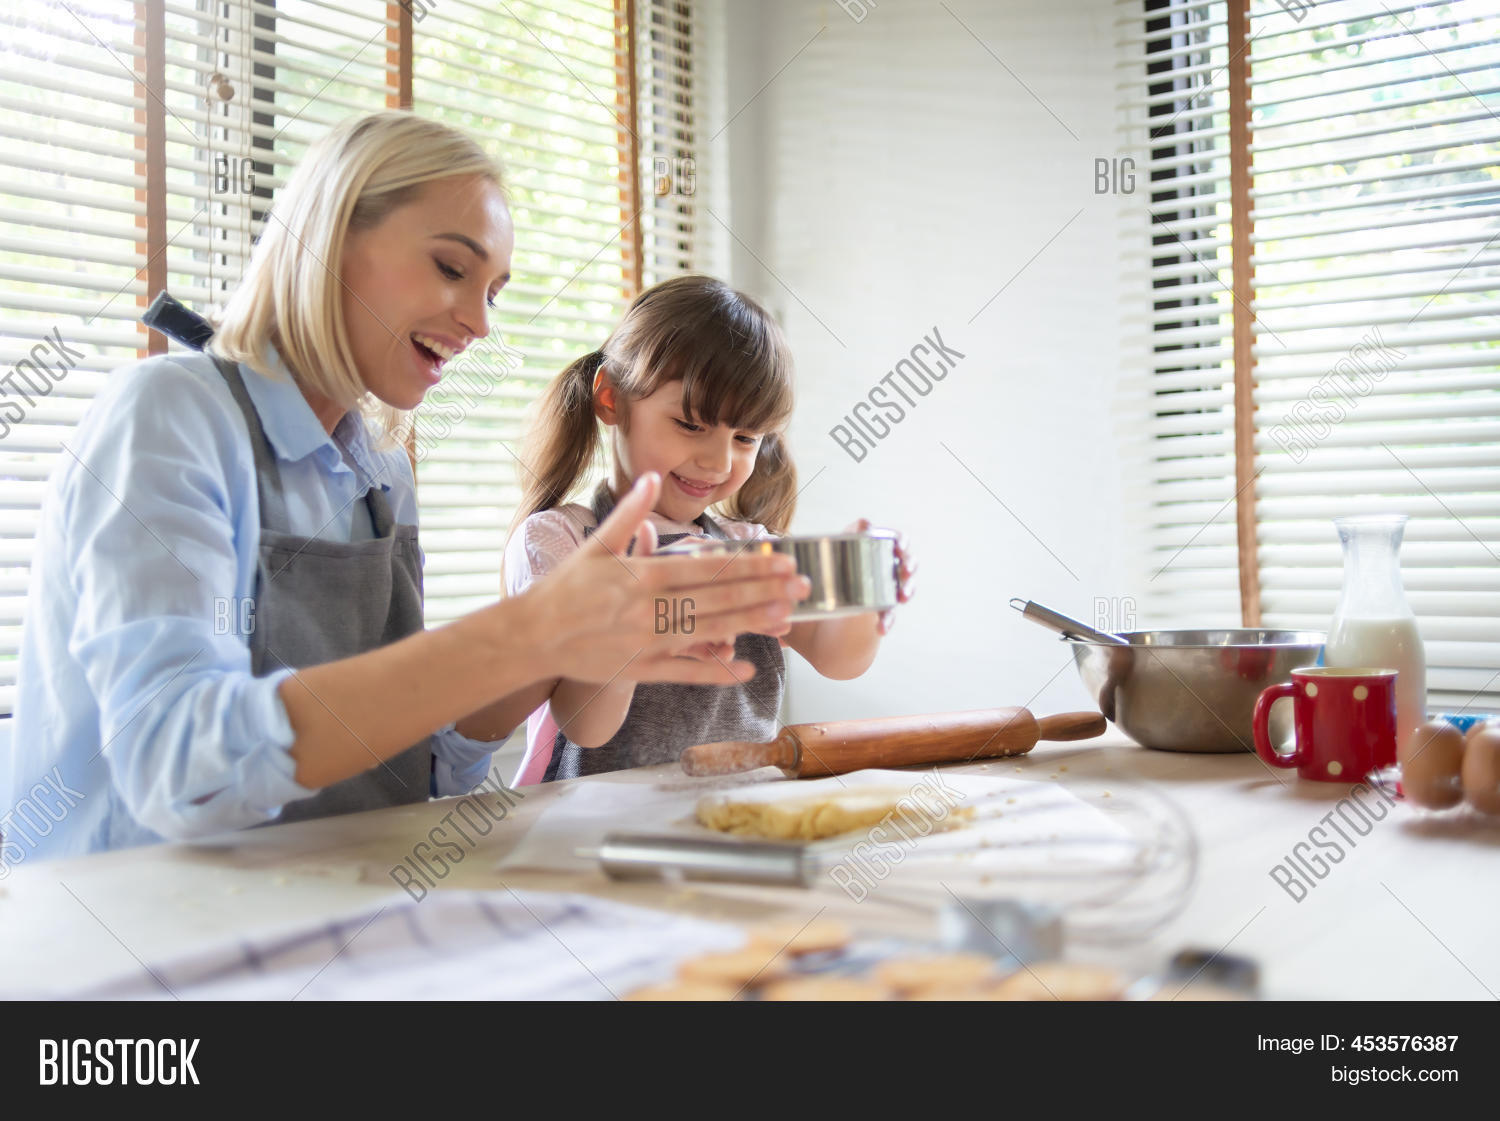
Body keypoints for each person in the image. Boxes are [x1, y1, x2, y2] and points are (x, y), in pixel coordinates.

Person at [1, 111, 806, 862]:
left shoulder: (380, 473)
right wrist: (525, 634)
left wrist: (563, 643)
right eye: (452, 267)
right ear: (326, 236)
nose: (481, 324)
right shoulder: (170, 415)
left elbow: (418, 770)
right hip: (124, 939)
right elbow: (178, 767)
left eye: (494, 292)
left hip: (315, 906)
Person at [503, 275, 915, 783]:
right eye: (692, 425)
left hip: (732, 819)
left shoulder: (748, 547)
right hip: (590, 832)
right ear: (611, 398)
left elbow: (837, 657)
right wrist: (643, 618)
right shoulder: (559, 542)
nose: (718, 460)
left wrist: (864, 595)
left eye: (745, 437)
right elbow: (586, 726)